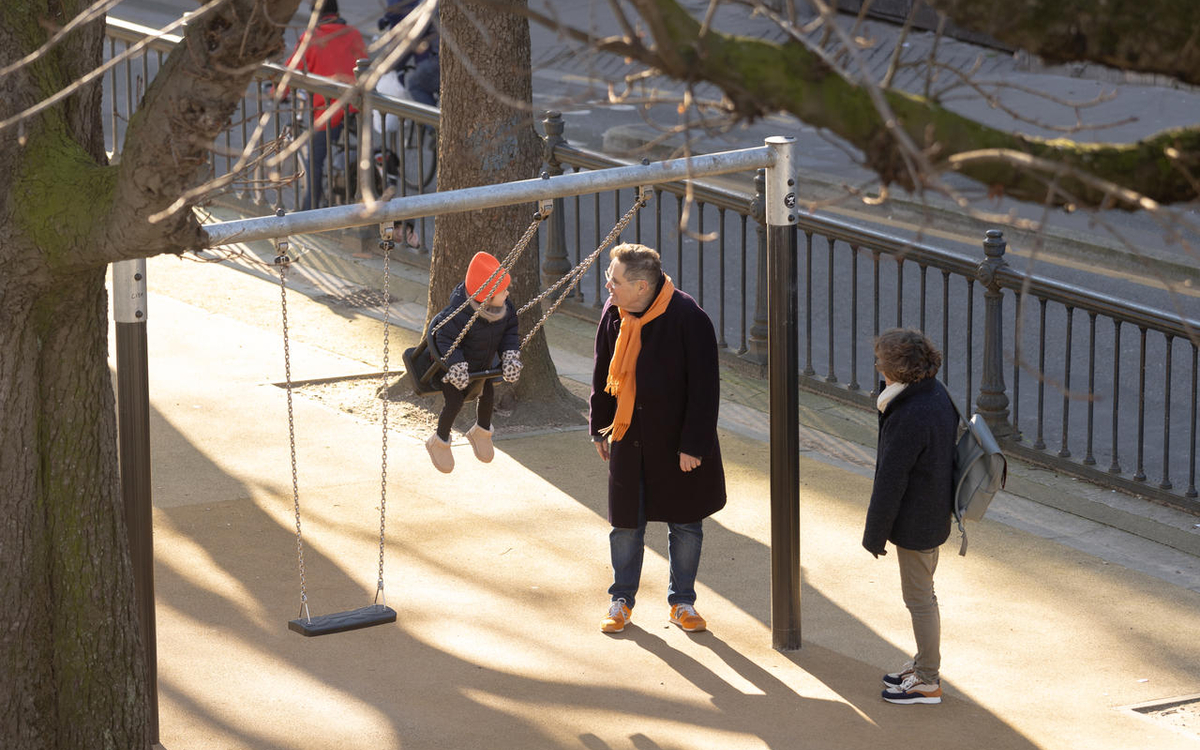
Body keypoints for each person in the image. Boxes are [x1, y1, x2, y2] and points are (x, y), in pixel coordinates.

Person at [589, 243, 726, 634]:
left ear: (642, 286)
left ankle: (682, 603)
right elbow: (603, 372)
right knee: (626, 525)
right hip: (629, 437)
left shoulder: (689, 318)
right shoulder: (615, 313)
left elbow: (705, 389)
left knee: (685, 524)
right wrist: (600, 425)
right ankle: (621, 600)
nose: (607, 287)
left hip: (676, 442)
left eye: (614, 281)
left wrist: (693, 446)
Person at [862, 328, 958, 705]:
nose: (877, 368)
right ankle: (922, 665)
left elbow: (891, 479)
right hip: (933, 512)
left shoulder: (910, 414)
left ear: (898, 370)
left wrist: (874, 535)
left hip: (918, 520)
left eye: (882, 363)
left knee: (920, 600)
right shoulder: (935, 394)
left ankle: (928, 680)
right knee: (924, 595)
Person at [424, 252, 522, 474]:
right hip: (453, 371)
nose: (508, 293)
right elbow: (445, 338)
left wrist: (510, 355)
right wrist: (456, 365)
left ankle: (481, 431)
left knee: (488, 395)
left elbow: (510, 332)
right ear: (486, 298)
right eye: (502, 291)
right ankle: (439, 440)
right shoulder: (459, 314)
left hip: (482, 366)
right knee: (454, 403)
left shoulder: (505, 309)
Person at [286, 0, 367, 210]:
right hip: (356, 107)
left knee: (315, 157)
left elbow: (291, 71)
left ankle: (309, 207)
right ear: (337, 12)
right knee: (358, 150)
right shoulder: (353, 34)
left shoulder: (311, 38)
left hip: (328, 111)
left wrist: (276, 92)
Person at [377, 0, 440, 106]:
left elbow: (407, 43)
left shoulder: (420, 9)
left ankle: (432, 121)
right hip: (435, 55)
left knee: (415, 84)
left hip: (438, 59)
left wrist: (392, 64)